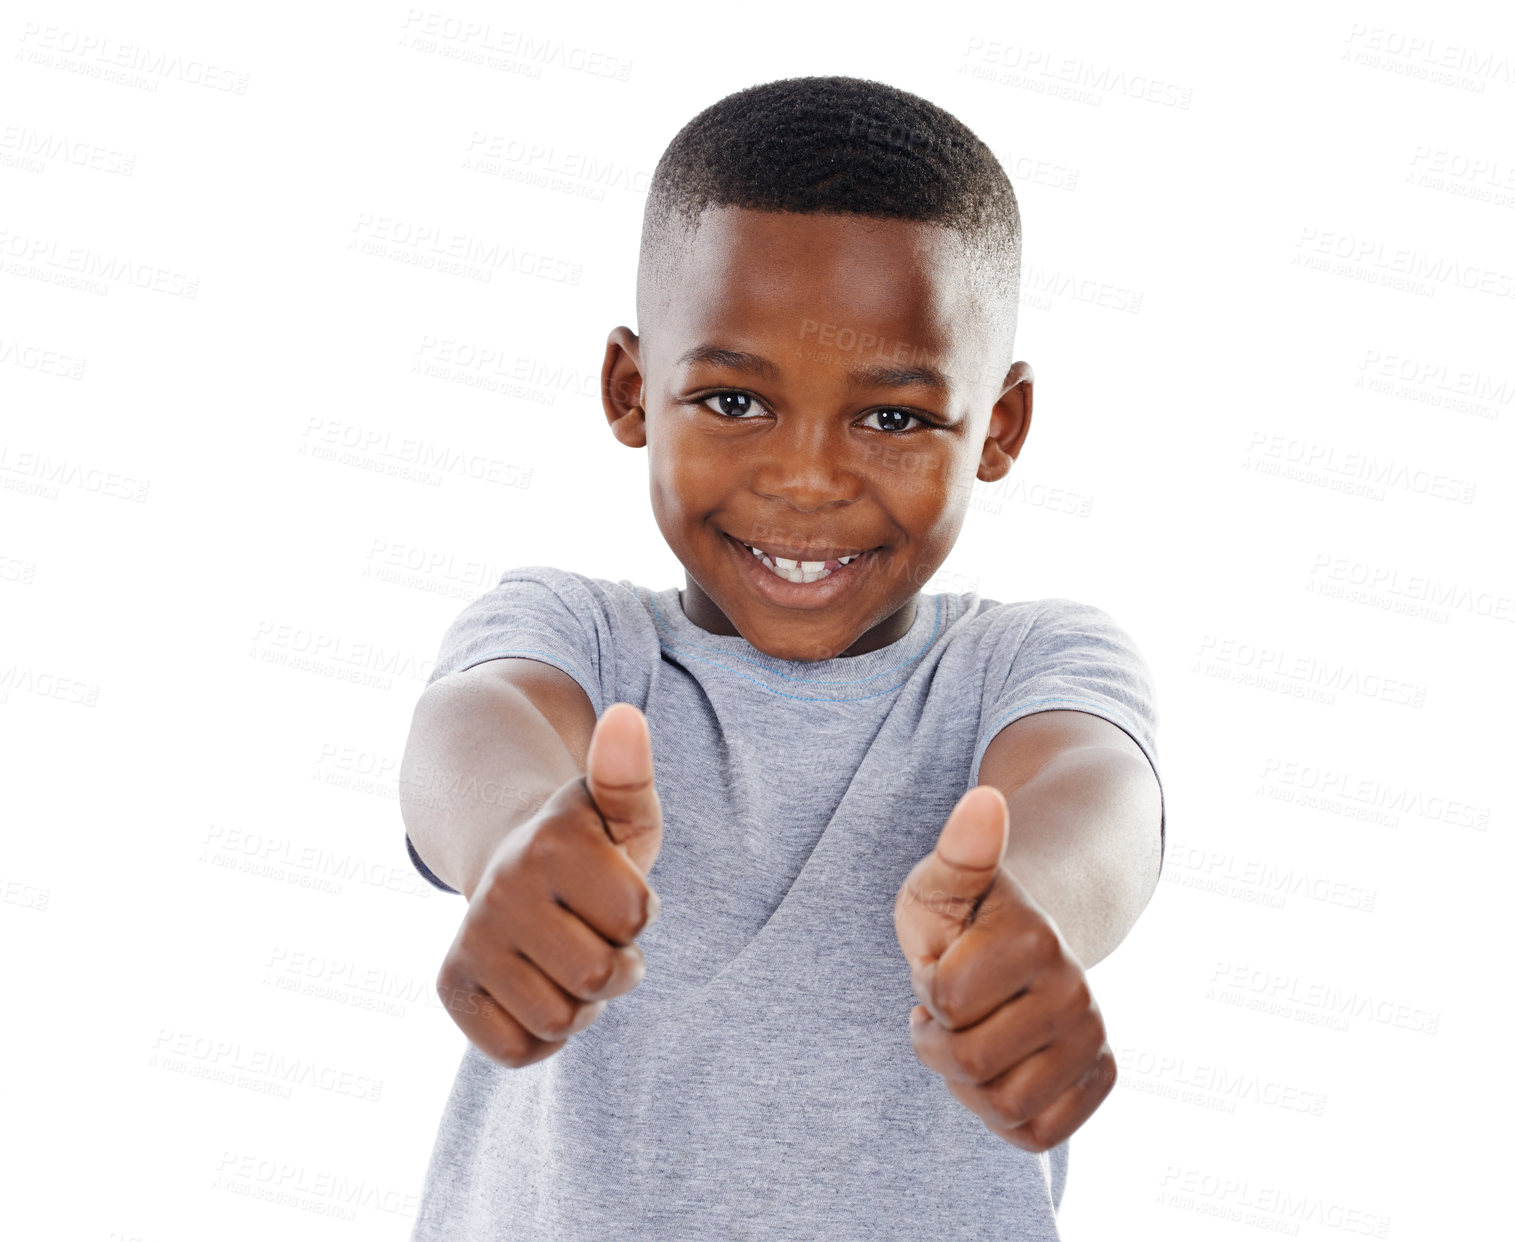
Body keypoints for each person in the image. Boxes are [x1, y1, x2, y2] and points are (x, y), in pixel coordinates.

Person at [398, 74, 1166, 1240]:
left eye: (895, 419)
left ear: (999, 428)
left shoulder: (1024, 662)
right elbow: (476, 723)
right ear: (630, 390)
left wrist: (1035, 913)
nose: (806, 478)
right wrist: (514, 840)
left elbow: (1099, 794)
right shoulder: (579, 635)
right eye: (734, 400)